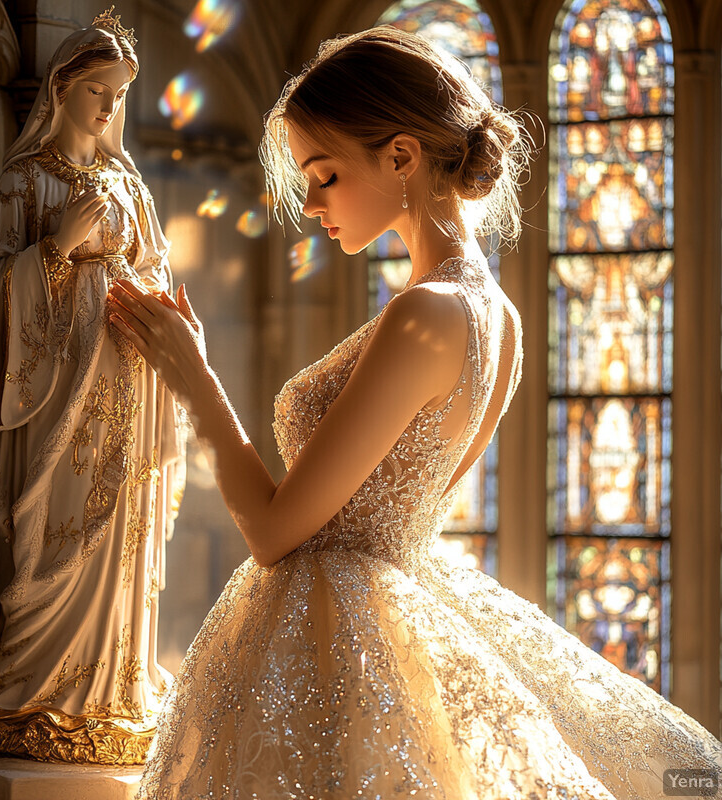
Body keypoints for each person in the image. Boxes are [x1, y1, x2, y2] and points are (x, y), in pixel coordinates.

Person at [109, 27, 722, 800]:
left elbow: (272, 532)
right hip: (375, 622)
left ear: (401, 157)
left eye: (324, 174)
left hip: (337, 639)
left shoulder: (428, 315)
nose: (313, 204)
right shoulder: (496, 312)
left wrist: (192, 375)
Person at [0, 10, 187, 765]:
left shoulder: (132, 187)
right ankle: (34, 682)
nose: (109, 107)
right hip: (58, 393)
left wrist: (153, 297)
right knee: (56, 536)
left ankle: (113, 688)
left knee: (124, 532)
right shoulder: (24, 181)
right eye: (96, 89)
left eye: (118, 94)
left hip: (131, 386)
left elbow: (160, 275)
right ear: (60, 90)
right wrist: (57, 249)